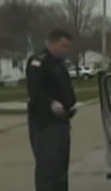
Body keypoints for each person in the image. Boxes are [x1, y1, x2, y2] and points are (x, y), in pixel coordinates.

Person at [26, 29, 77, 191]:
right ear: (52, 43)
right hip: (45, 123)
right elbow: (35, 91)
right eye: (63, 46)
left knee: (61, 167)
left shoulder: (60, 63)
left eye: (68, 46)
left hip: (61, 121)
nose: (66, 50)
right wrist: (51, 103)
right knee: (47, 167)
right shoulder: (38, 62)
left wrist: (70, 104)